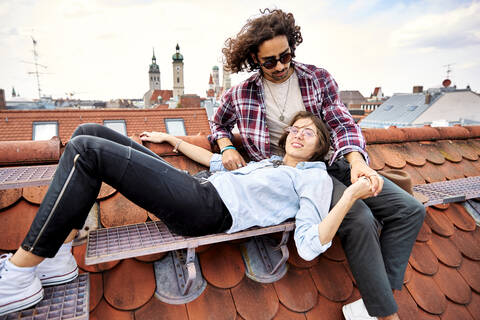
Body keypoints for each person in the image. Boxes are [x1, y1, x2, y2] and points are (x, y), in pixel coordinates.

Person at [0, 112, 374, 316]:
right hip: (197, 186)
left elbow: (310, 245)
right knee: (89, 129)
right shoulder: (273, 162)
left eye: (309, 134)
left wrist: (352, 194)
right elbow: (217, 162)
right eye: (295, 127)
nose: (298, 134)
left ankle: (19, 276)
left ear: (321, 147)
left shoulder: (314, 178)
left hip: (206, 209)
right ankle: (58, 259)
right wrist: (174, 141)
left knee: (86, 150)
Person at [209, 8, 426, 320]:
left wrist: (356, 163)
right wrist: (227, 145)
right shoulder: (241, 93)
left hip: (333, 162)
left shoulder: (317, 78)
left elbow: (342, 124)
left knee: (409, 210)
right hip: (295, 173)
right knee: (359, 218)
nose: (280, 66)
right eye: (269, 61)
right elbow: (218, 125)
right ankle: (385, 315)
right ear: (254, 60)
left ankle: (376, 299)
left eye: (285, 56)